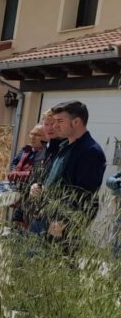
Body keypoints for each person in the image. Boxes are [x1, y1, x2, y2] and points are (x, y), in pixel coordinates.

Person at [28, 101, 107, 251]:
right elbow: (55, 179)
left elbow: (85, 194)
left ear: (76, 122)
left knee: (56, 270)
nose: (54, 126)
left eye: (59, 121)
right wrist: (38, 187)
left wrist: (63, 222)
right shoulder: (64, 146)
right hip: (43, 219)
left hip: (61, 227)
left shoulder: (90, 151)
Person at [6, 124, 46, 230]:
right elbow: (13, 165)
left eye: (37, 135)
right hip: (19, 196)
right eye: (32, 133)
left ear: (45, 137)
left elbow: (34, 175)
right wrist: (16, 174)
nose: (33, 137)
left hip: (33, 199)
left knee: (28, 231)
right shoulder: (25, 150)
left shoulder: (45, 154)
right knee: (15, 228)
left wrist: (16, 175)